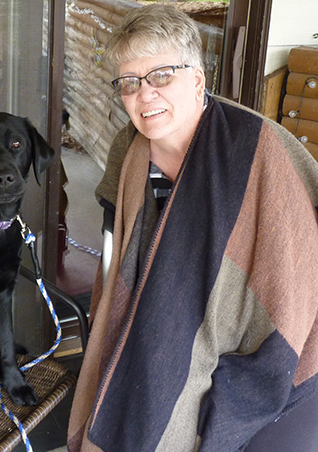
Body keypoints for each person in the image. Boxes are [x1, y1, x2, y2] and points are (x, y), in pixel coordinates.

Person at [67, 4, 318, 452]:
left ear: (198, 79)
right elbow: (121, 247)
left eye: (162, 75)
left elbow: (297, 265)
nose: (145, 96)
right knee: (139, 365)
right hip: (159, 299)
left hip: (247, 328)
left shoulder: (257, 150)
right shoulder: (130, 148)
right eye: (130, 83)